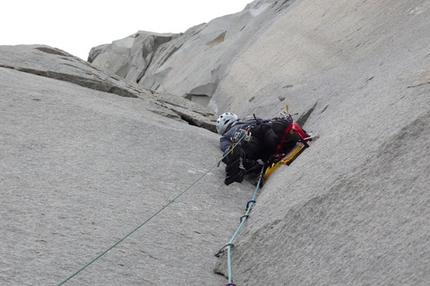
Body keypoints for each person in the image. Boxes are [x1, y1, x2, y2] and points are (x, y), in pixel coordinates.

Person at [216, 112, 297, 185]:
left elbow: (226, 147)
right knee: (271, 135)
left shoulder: (225, 137)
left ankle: (243, 159)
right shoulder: (249, 120)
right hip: (260, 131)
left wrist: (231, 152)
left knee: (241, 152)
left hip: (250, 144)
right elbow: (266, 122)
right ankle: (284, 135)